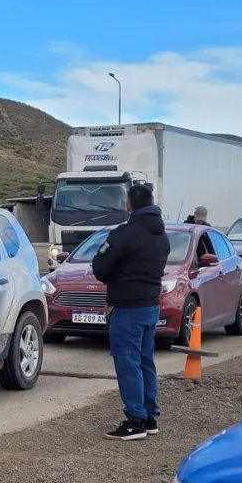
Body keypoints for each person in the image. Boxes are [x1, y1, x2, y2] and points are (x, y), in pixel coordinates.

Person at [92, 182, 170, 441]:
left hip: (127, 307)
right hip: (150, 304)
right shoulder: (162, 234)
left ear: (128, 205)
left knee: (127, 362)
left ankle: (135, 421)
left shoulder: (124, 234)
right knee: (145, 361)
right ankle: (149, 416)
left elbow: (101, 267)